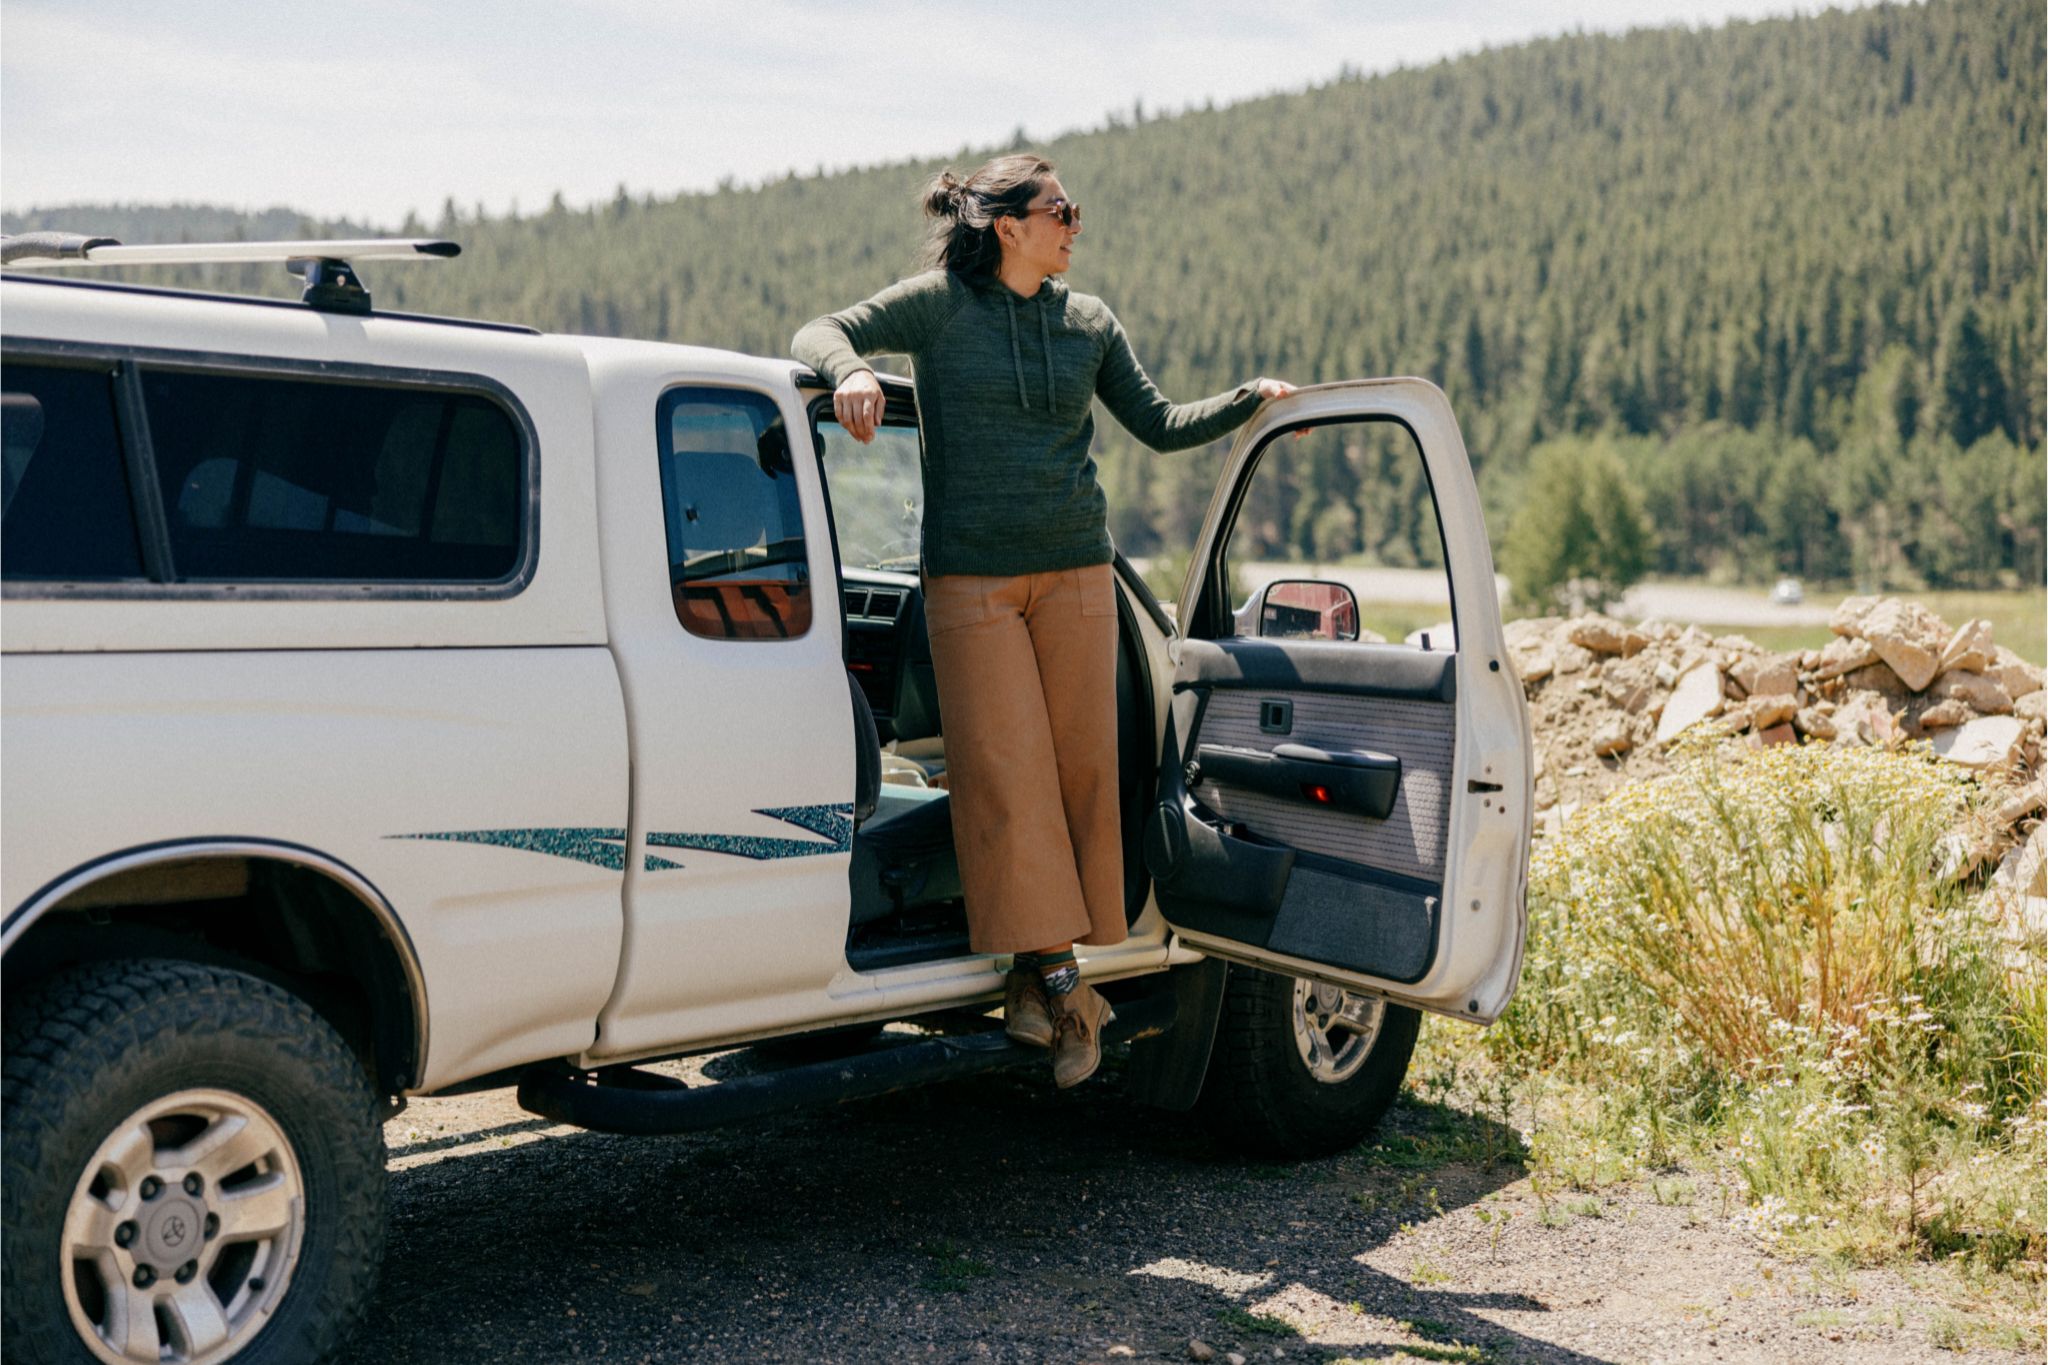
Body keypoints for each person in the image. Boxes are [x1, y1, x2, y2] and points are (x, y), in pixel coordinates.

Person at [793, 153, 1292, 1088]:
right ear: (1007, 226)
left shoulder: (1090, 323)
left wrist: (1245, 405)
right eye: (1062, 209)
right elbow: (821, 328)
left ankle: (1038, 977)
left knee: (1080, 773)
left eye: (1075, 210)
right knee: (1004, 775)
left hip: (1075, 575)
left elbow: (1158, 422)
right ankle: (1068, 986)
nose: (1075, 224)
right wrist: (852, 369)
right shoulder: (939, 306)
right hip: (971, 586)